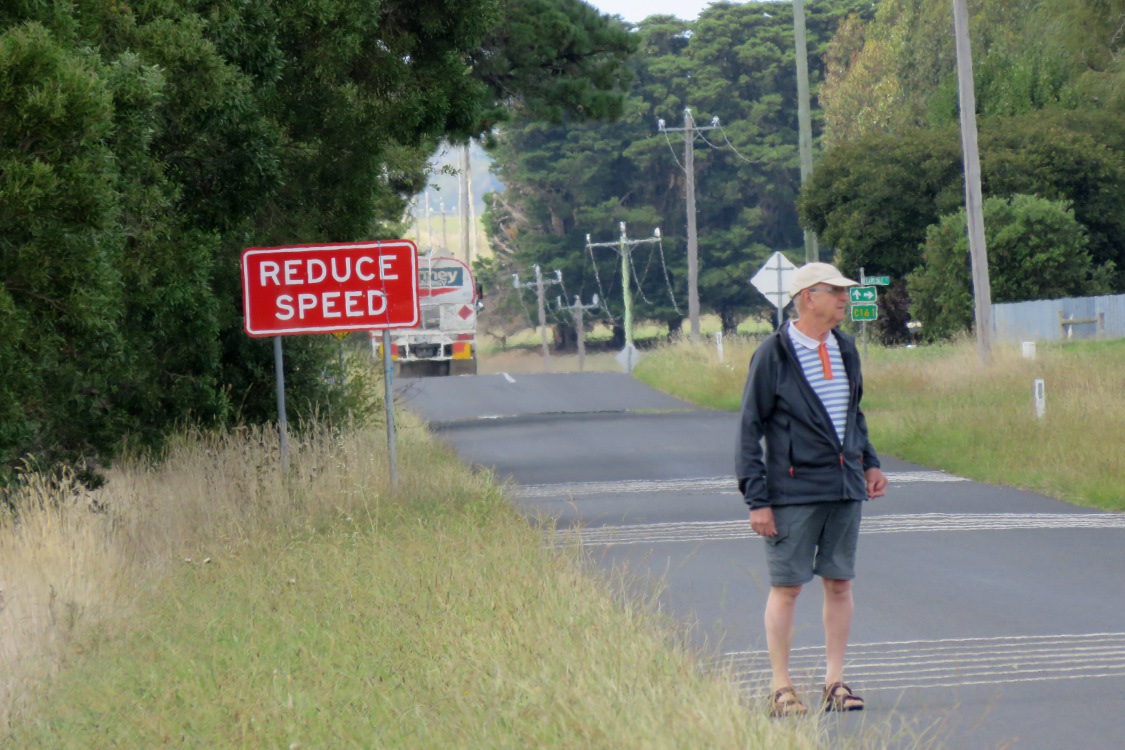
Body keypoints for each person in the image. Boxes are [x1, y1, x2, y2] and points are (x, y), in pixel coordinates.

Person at [735, 262, 888, 717]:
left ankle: (834, 682)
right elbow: (749, 429)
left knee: (839, 583)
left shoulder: (845, 348)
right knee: (787, 588)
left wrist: (869, 463)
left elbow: (852, 414)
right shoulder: (773, 354)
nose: (844, 298)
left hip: (843, 487)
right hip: (792, 491)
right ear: (807, 298)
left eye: (845, 291)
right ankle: (781, 688)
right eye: (834, 291)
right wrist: (757, 500)